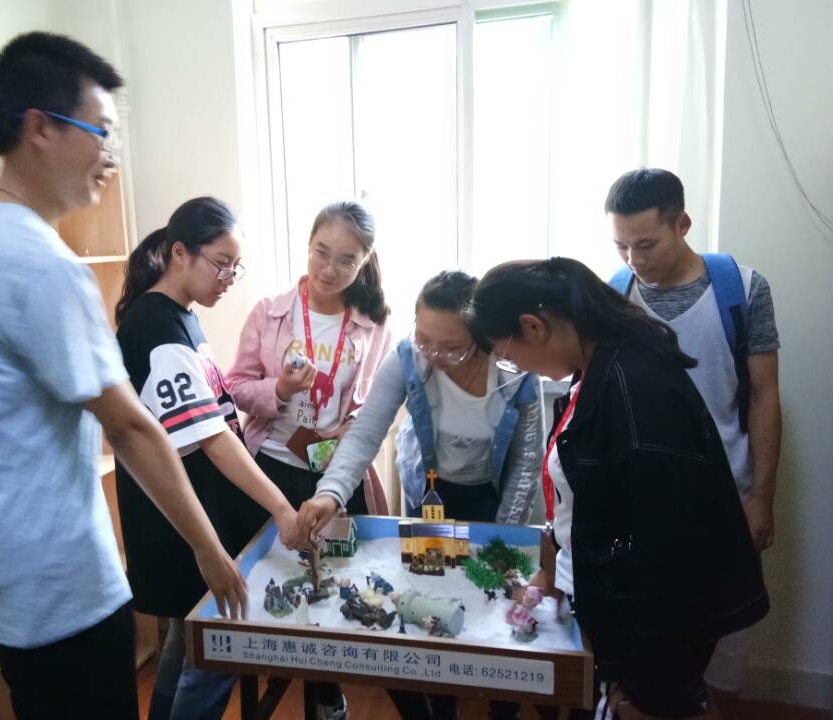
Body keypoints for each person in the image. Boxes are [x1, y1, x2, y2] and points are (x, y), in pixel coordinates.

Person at [0, 32, 245, 720]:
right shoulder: (41, 261)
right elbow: (131, 428)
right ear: (38, 127)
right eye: (100, 132)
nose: (109, 156)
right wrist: (210, 551)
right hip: (60, 593)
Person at [466, 258, 769, 719]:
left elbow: (668, 553)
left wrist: (647, 689)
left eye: (506, 354)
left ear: (533, 326)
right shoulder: (597, 366)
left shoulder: (636, 387)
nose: (514, 366)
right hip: (614, 614)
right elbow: (593, 505)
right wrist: (554, 574)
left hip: (652, 647)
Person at [297, 270, 543, 720]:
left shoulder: (515, 373)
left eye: (451, 346)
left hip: (492, 500)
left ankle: (500, 708)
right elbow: (365, 433)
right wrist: (329, 493)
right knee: (431, 604)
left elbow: (526, 467)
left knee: (492, 605)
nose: (434, 355)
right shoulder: (408, 358)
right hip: (430, 496)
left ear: (481, 338)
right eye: (424, 339)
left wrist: (501, 542)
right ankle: (437, 709)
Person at [114, 198, 302, 719]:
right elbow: (214, 438)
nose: (228, 279)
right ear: (180, 253)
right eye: (222, 264)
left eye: (235, 268)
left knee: (189, 645)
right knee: (215, 652)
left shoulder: (180, 317)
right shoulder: (157, 326)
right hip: (181, 523)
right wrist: (281, 508)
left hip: (192, 516)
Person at [605, 168, 781, 710]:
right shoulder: (614, 295)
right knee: (648, 651)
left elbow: (764, 397)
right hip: (642, 506)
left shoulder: (742, 290)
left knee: (726, 648)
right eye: (621, 246)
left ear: (682, 224)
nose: (634, 258)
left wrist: (761, 497)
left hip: (726, 496)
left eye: (646, 244)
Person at [226, 200, 392, 720]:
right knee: (272, 579)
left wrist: (351, 427)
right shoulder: (270, 312)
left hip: (333, 473)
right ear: (308, 245)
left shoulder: (371, 325)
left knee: (335, 583)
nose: (329, 269)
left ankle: (326, 693)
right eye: (322, 252)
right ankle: (277, 678)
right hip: (271, 467)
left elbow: (373, 402)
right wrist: (278, 389)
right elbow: (234, 386)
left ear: (364, 262)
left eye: (346, 260)